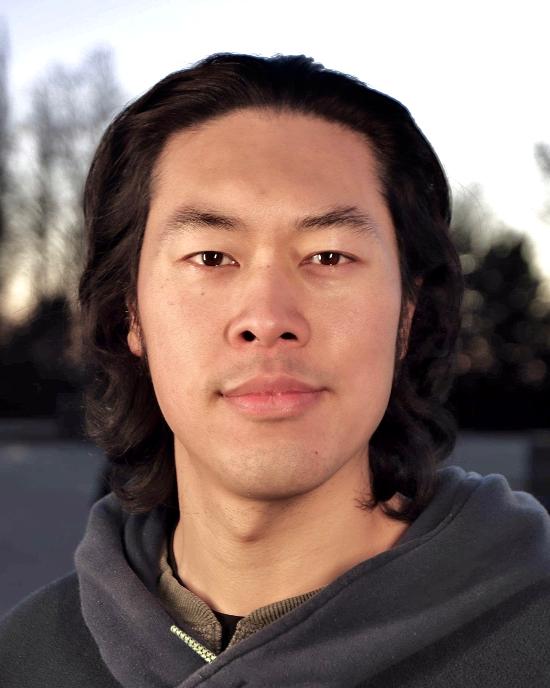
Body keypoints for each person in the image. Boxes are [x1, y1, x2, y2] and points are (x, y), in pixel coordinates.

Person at [1, 52, 549, 688]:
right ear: (131, 312)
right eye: (211, 256)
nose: (266, 318)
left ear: (407, 314)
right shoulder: (26, 659)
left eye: (328, 256)